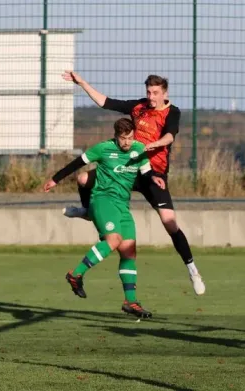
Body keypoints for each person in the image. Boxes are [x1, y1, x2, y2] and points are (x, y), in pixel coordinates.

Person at [61, 71, 205, 296]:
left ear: (164, 93)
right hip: (128, 169)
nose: (151, 96)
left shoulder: (171, 112)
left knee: (169, 223)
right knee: (82, 179)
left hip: (152, 173)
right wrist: (82, 83)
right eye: (148, 92)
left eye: (155, 93)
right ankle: (88, 210)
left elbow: (169, 137)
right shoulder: (138, 107)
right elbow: (104, 102)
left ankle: (192, 270)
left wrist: (152, 145)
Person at [44, 118, 165, 319]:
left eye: (130, 137)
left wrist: (154, 178)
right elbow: (77, 163)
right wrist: (55, 179)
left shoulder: (139, 149)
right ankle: (76, 274)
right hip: (103, 200)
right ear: (116, 136)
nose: (126, 142)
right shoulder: (103, 149)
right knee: (113, 240)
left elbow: (146, 173)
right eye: (123, 138)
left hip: (122, 205)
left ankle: (131, 301)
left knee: (129, 252)